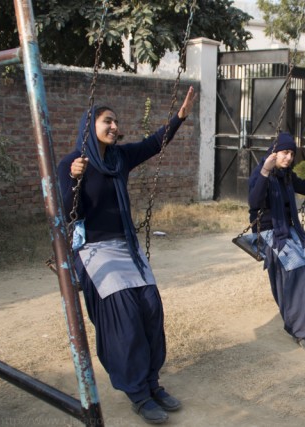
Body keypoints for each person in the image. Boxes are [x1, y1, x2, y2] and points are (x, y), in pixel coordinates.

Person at [58, 86, 196, 424]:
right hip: (94, 249)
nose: (115, 126)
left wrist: (179, 117)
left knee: (151, 308)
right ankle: (137, 391)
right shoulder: (72, 163)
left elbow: (153, 143)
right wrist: (74, 180)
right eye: (108, 121)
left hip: (126, 246)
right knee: (125, 319)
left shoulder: (119, 159)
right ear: (90, 126)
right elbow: (64, 213)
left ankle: (152, 383)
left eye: (116, 122)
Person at [247, 132, 305, 353]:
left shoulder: (286, 175)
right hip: (271, 232)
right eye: (284, 153)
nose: (288, 158)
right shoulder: (261, 173)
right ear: (274, 153)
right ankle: (301, 331)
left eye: (291, 154)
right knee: (299, 276)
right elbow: (254, 202)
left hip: (290, 230)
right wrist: (266, 171)